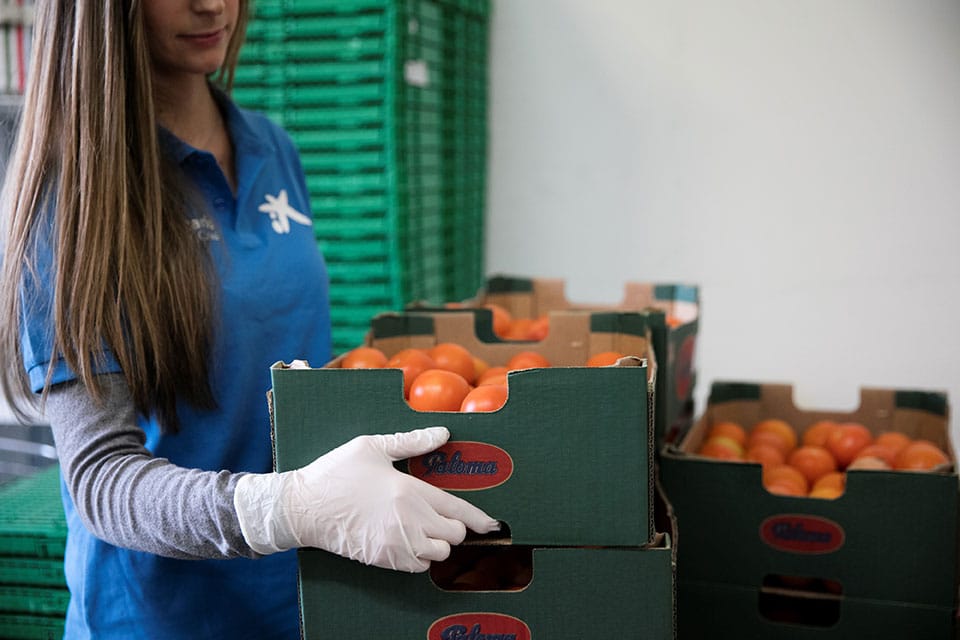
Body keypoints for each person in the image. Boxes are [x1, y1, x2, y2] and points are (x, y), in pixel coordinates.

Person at [0, 2, 498, 638]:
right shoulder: (74, 192)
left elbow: (278, 362)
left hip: (306, 596)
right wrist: (290, 508)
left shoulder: (272, 146)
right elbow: (101, 479)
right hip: (164, 619)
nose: (212, 4)